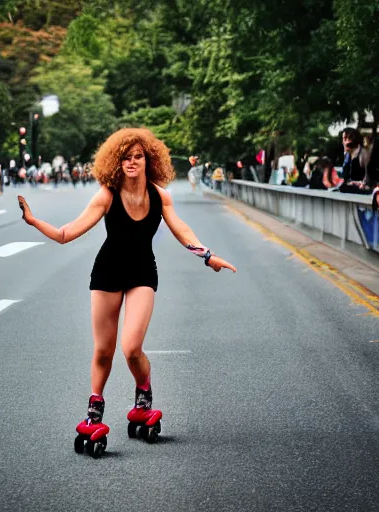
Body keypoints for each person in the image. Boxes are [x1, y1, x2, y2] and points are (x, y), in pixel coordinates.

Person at [17, 128, 237, 454]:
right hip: (107, 273)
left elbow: (181, 230)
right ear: (116, 162)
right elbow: (66, 234)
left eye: (138, 156)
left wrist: (207, 256)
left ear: (149, 160)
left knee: (132, 348)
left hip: (142, 273)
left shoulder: (160, 196)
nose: (132, 162)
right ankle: (94, 413)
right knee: (103, 351)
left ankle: (143, 395)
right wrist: (35, 222)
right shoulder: (107, 194)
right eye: (126, 157)